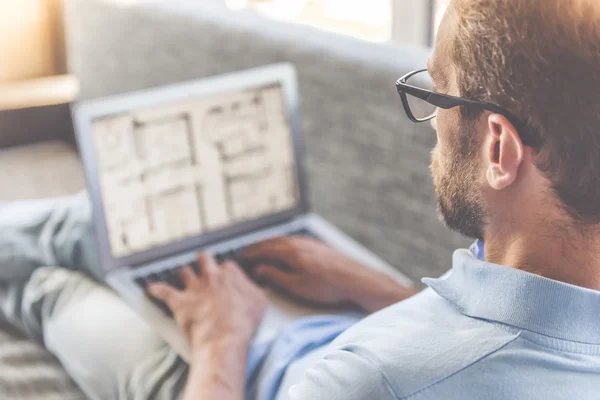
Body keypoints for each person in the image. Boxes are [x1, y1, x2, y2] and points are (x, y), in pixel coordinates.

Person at [1, 0, 600, 398]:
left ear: (500, 148)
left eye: (439, 96)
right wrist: (368, 285)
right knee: (99, 220)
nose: (432, 127)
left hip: (221, 373)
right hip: (329, 321)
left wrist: (220, 340)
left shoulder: (374, 379)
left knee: (42, 288)